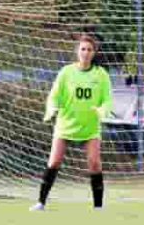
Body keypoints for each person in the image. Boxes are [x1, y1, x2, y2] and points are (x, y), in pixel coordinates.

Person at [30, 33, 113, 211]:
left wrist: (102, 110)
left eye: (89, 49)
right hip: (65, 125)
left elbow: (107, 100)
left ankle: (98, 206)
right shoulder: (66, 72)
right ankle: (41, 202)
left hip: (89, 127)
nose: (86, 52)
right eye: (83, 49)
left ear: (94, 53)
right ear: (77, 51)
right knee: (54, 162)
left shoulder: (101, 75)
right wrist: (51, 109)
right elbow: (54, 95)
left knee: (94, 163)